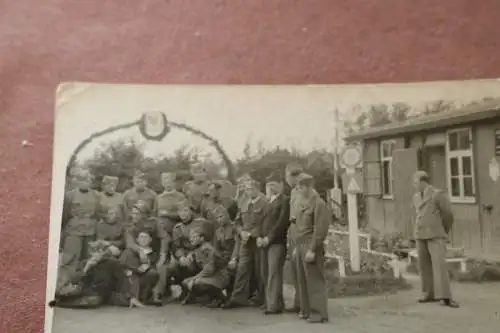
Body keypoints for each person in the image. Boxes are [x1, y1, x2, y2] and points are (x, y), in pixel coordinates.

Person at [412, 170, 459, 308]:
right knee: (423, 265)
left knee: (439, 265)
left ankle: (445, 296)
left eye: (415, 182)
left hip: (435, 234)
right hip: (420, 235)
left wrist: (442, 230)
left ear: (423, 181)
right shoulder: (415, 197)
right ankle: (428, 293)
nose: (414, 185)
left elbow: (448, 215)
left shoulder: (437, 194)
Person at [222, 179, 268, 309]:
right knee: (242, 268)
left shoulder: (264, 202)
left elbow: (266, 223)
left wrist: (253, 233)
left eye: (251, 189)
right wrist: (241, 232)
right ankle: (238, 297)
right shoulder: (242, 202)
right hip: (245, 241)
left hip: (258, 240)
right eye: (247, 189)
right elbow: (237, 222)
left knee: (260, 270)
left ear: (258, 189)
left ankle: (263, 298)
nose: (248, 192)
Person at [293, 173, 331, 323]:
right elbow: (297, 226)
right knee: (302, 280)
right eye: (298, 187)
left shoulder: (319, 204)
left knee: (314, 280)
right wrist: (297, 246)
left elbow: (320, 229)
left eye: (301, 187)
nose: (299, 189)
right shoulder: (299, 201)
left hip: (311, 243)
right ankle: (306, 310)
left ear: (309, 186)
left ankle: (319, 313)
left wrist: (312, 249)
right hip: (300, 243)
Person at [60, 170, 101, 288]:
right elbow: (65, 215)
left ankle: (82, 286)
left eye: (88, 180)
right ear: (78, 181)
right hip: (74, 229)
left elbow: (98, 213)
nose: (85, 182)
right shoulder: (70, 195)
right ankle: (63, 286)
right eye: (82, 180)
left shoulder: (96, 195)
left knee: (87, 259)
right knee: (69, 258)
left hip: (90, 230)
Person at [258, 172, 291, 315]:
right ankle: (275, 302)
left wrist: (268, 238)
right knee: (265, 272)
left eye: (273, 184)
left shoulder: (284, 200)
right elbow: (260, 221)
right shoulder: (267, 201)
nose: (271, 187)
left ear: (281, 185)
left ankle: (272, 306)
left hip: (276, 242)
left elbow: (281, 223)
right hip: (264, 241)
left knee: (274, 273)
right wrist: (259, 237)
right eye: (268, 185)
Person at [123, 202, 169, 305]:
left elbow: (165, 238)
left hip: (155, 253)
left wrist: (163, 255)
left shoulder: (154, 222)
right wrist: (139, 251)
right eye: (133, 213)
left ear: (144, 214)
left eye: (136, 213)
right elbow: (129, 243)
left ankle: (157, 294)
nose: (133, 216)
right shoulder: (130, 225)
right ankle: (141, 294)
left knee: (161, 267)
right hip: (138, 255)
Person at [163, 203, 207, 302]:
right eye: (181, 211)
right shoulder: (177, 228)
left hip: (201, 254)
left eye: (186, 211)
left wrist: (194, 254)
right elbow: (176, 246)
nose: (184, 214)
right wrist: (181, 257)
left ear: (190, 212)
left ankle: (202, 292)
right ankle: (185, 290)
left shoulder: (200, 223)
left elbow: (206, 240)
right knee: (172, 268)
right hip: (185, 255)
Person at [181, 220, 231, 308]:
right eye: (190, 237)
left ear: (202, 238)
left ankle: (220, 298)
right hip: (209, 276)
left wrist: (194, 279)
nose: (191, 239)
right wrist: (189, 263)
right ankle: (195, 297)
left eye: (194, 237)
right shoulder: (196, 250)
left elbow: (209, 270)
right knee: (185, 282)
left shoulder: (208, 249)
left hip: (220, 276)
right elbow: (194, 269)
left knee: (197, 283)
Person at [116, 229, 161, 307]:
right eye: (141, 237)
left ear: (150, 240)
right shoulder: (129, 251)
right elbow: (120, 264)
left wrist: (134, 269)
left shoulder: (153, 254)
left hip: (142, 278)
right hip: (127, 277)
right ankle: (130, 298)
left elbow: (143, 269)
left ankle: (144, 298)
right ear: (137, 239)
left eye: (146, 237)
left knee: (152, 273)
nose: (143, 239)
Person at [283, 162, 303, 314]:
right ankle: (298, 302)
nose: (286, 180)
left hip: (302, 233)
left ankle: (304, 303)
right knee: (295, 269)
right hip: (294, 232)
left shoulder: (303, 190)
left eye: (287, 177)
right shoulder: (294, 191)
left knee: (303, 269)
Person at [83, 207, 125, 274]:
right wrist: (109, 246)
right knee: (97, 257)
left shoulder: (120, 225)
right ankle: (84, 272)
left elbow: (122, 241)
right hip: (102, 249)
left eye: (115, 213)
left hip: (117, 250)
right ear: (106, 215)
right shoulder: (100, 225)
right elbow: (99, 240)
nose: (114, 215)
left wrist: (110, 243)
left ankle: (84, 271)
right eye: (111, 213)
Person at [212, 204, 240, 300]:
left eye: (221, 216)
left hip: (234, 256)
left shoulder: (234, 227)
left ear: (226, 215)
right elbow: (216, 249)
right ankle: (216, 296)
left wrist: (234, 258)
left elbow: (238, 244)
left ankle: (231, 296)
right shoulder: (218, 232)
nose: (219, 219)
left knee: (231, 270)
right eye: (217, 218)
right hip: (223, 257)